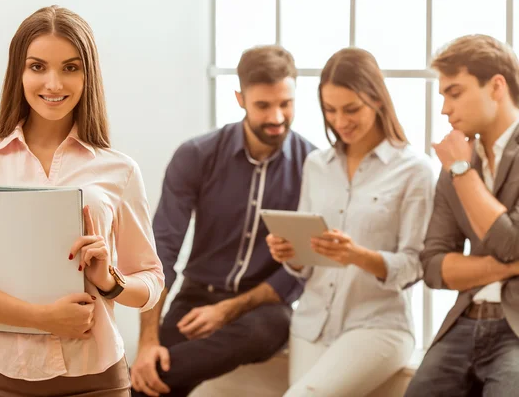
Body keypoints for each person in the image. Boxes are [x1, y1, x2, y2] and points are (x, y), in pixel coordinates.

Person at [0, 5, 164, 397]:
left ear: (88, 75)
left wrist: (109, 281)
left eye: (70, 67)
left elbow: (152, 281)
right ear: (18, 72)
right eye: (38, 66)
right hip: (2, 380)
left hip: (99, 381)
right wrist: (43, 318)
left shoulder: (119, 170)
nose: (53, 83)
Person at [129, 45, 316, 397]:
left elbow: (300, 267)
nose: (277, 117)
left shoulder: (313, 166)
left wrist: (227, 311)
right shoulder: (196, 155)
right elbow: (163, 248)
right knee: (146, 382)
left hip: (262, 307)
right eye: (263, 105)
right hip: (196, 298)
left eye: (285, 104)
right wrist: (147, 341)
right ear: (240, 98)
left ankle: (147, 374)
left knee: (268, 327)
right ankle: (146, 373)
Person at [266, 47, 434, 397]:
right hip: (311, 324)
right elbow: (307, 267)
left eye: (351, 109)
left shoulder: (413, 170)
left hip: (378, 326)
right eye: (330, 110)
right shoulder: (316, 165)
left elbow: (417, 264)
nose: (340, 121)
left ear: (377, 100)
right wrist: (291, 253)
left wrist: (358, 255)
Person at [405, 35, 519, 397]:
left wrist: (461, 172)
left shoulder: (457, 167)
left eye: (454, 93)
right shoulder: (455, 165)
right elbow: (434, 267)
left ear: (496, 86)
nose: (444, 109)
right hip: (464, 323)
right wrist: (510, 266)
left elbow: (512, 243)